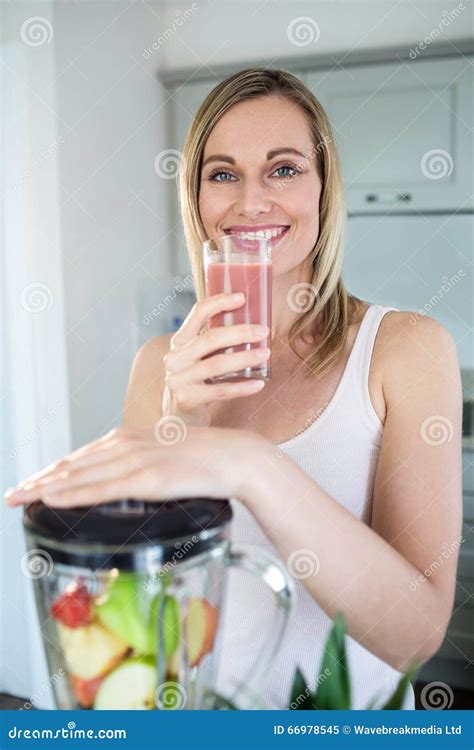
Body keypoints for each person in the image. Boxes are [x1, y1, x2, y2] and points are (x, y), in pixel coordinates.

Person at [5, 69, 462, 710]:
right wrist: (180, 426)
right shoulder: (159, 364)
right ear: (195, 202)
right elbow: (145, 601)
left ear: (325, 190)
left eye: (283, 168)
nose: (251, 202)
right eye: (222, 174)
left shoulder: (405, 348)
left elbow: (414, 635)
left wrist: (248, 463)